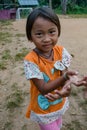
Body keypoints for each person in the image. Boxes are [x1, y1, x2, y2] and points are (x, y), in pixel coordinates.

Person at [24, 7, 78, 130]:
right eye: (39, 34)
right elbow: (43, 89)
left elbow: (65, 75)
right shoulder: (30, 60)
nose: (47, 39)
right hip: (43, 109)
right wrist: (65, 77)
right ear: (30, 36)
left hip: (58, 104)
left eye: (52, 32)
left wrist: (68, 85)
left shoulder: (61, 51)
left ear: (58, 31)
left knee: (59, 124)